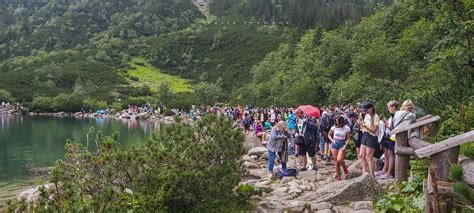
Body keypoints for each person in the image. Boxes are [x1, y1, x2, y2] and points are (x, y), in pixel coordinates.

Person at [377, 100, 398, 179]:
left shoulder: (396, 116)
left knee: (390, 155)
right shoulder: (392, 116)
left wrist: (387, 125)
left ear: (393, 107)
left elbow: (395, 127)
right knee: (386, 155)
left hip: (392, 137)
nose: (388, 109)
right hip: (387, 137)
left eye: (389, 107)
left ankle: (389, 172)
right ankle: (384, 170)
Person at [359, 103, 380, 176]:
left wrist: (365, 126)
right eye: (364, 110)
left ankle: (372, 175)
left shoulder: (375, 117)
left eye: (366, 110)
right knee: (361, 155)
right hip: (365, 135)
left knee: (369, 157)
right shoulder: (367, 115)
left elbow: (374, 130)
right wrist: (361, 124)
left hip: (372, 137)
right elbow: (364, 127)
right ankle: (365, 173)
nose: (365, 111)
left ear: (371, 108)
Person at [328, 116, 351, 180]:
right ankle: (338, 176)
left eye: (338, 121)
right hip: (334, 143)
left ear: (341, 121)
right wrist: (332, 140)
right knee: (336, 162)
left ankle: (344, 167)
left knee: (339, 159)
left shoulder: (346, 128)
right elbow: (329, 134)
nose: (337, 122)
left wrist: (345, 145)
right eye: (336, 121)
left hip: (342, 143)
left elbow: (348, 138)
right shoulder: (334, 127)